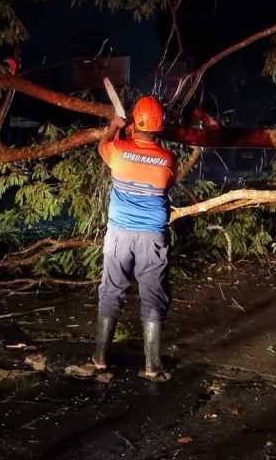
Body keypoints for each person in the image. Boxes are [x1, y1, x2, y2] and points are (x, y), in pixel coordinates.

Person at [92, 95, 176, 381]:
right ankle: (152, 364)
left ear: (134, 123)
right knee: (153, 295)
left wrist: (114, 126)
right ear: (160, 126)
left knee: (112, 290)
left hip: (119, 236)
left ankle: (101, 357)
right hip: (152, 237)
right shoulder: (167, 160)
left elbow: (102, 146)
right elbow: (167, 182)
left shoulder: (117, 149)